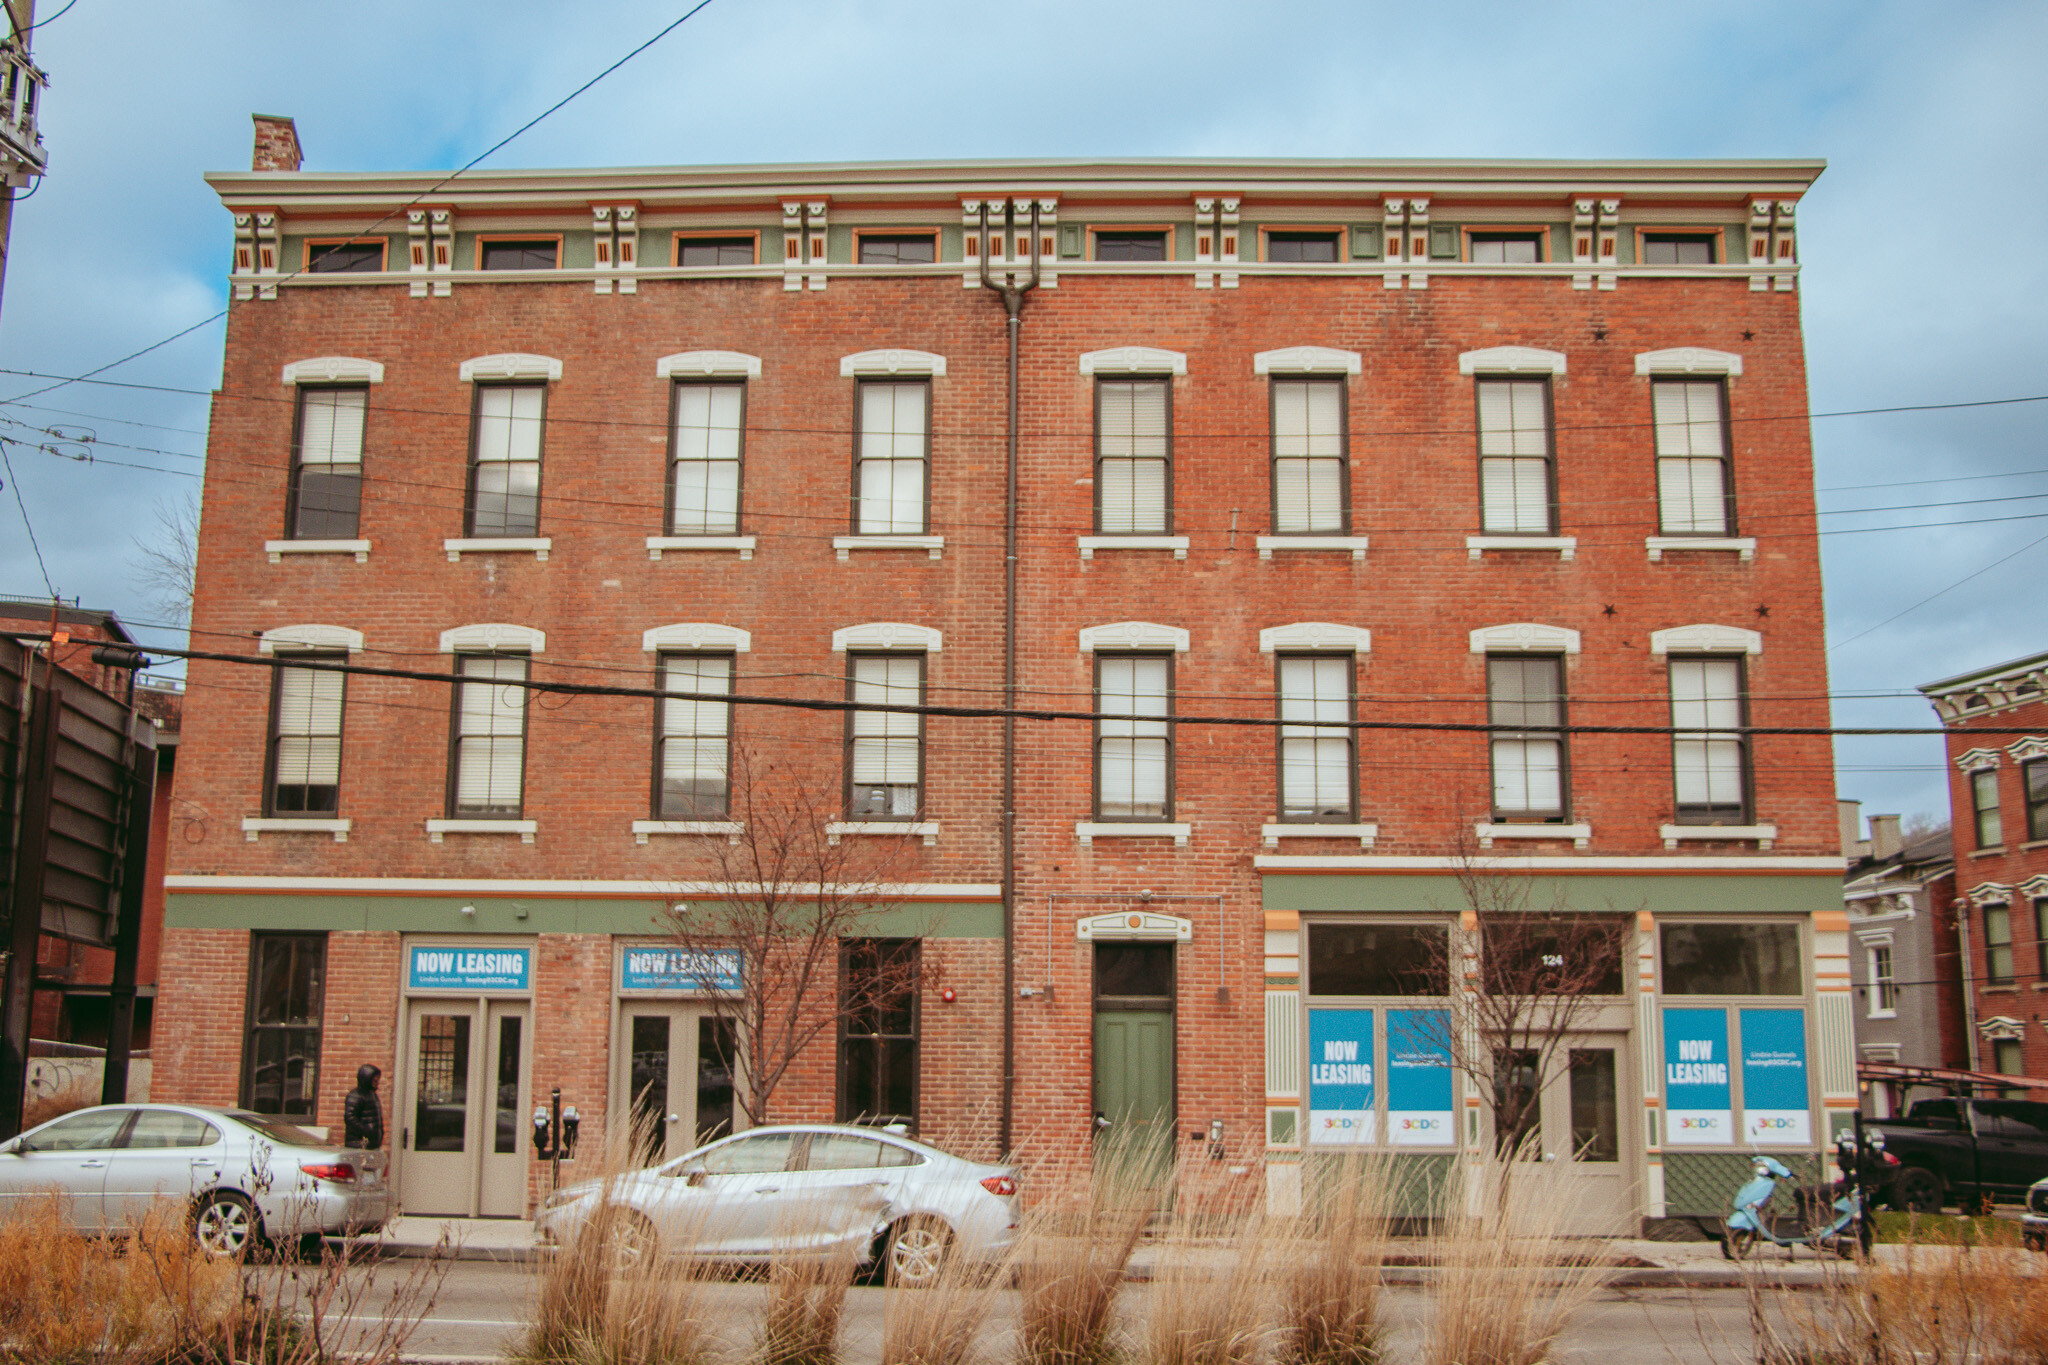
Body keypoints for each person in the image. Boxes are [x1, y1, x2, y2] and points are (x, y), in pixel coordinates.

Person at [343, 1063, 384, 1149]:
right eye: (374, 1081)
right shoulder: (355, 1096)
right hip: (359, 1143)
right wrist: (367, 1131)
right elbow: (350, 1118)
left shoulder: (373, 1095)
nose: (377, 1083)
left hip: (371, 1144)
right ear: (367, 1079)